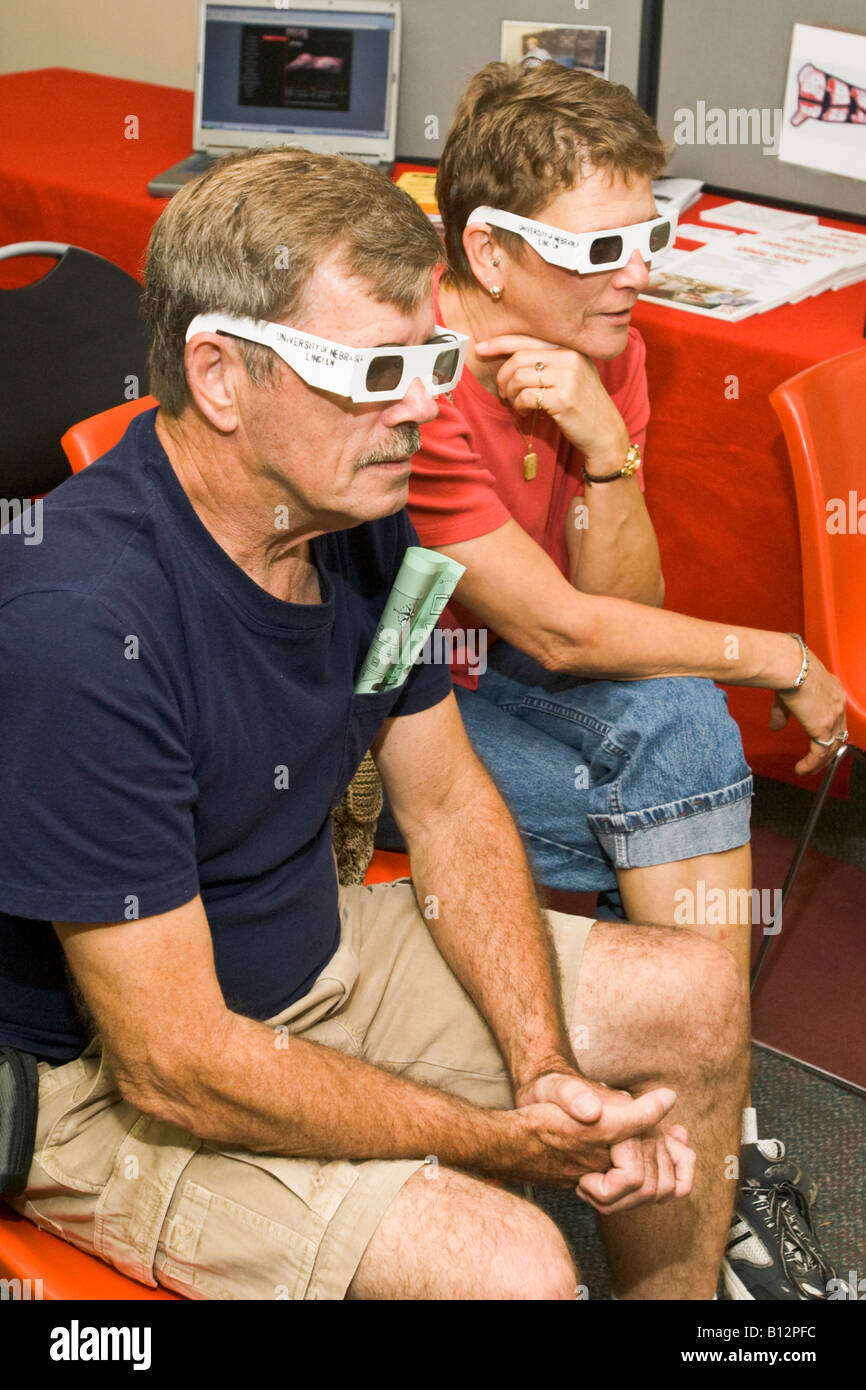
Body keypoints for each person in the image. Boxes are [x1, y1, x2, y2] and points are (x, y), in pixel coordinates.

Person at [0, 147, 750, 1301]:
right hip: (103, 1084)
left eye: (430, 360)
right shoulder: (74, 625)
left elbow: (445, 803)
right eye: (373, 369)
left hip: (309, 950)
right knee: (513, 1266)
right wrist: (506, 1141)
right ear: (219, 373)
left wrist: (536, 1062)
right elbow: (175, 1063)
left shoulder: (357, 514)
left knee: (695, 994)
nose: (420, 405)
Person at [387, 60, 850, 1300]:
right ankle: (709, 1140)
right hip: (378, 727)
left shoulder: (599, 345)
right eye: (597, 248)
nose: (634, 271)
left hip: (501, 671)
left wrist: (603, 447)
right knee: (687, 730)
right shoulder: (415, 377)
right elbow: (571, 636)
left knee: (681, 722)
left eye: (647, 234)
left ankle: (697, 1120)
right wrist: (780, 655)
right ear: (488, 253)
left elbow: (621, 612)